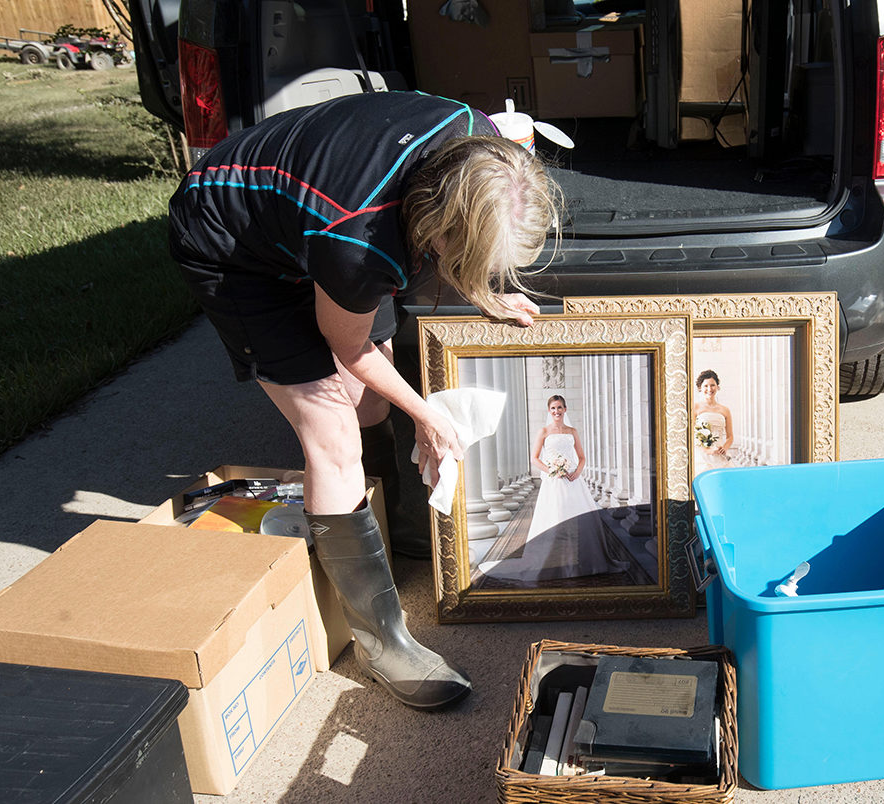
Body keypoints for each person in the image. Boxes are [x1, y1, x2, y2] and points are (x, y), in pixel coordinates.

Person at [168, 91, 560, 710]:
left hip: (311, 217)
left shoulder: (480, 141)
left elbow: (371, 345)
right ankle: (383, 641)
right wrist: (427, 415)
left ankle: (382, 530)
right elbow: (348, 348)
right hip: (232, 241)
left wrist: (484, 290)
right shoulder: (362, 245)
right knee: (332, 431)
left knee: (368, 405)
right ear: (436, 228)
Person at [477, 395, 628, 582]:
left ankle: (583, 560)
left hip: (573, 481)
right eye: (553, 409)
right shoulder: (544, 432)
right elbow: (535, 458)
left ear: (565, 409)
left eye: (559, 408)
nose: (556, 411)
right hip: (554, 481)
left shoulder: (572, 431)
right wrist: (553, 470)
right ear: (549, 411)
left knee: (579, 520)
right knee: (555, 518)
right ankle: (554, 560)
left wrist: (577, 473)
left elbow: (581, 457)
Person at [692, 370, 735, 475]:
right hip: (702, 455)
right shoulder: (695, 408)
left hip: (720, 454)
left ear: (717, 387)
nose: (709, 389)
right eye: (706, 386)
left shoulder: (725, 410)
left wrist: (724, 448)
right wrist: (707, 451)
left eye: (712, 385)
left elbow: (730, 437)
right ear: (700, 388)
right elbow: (692, 435)